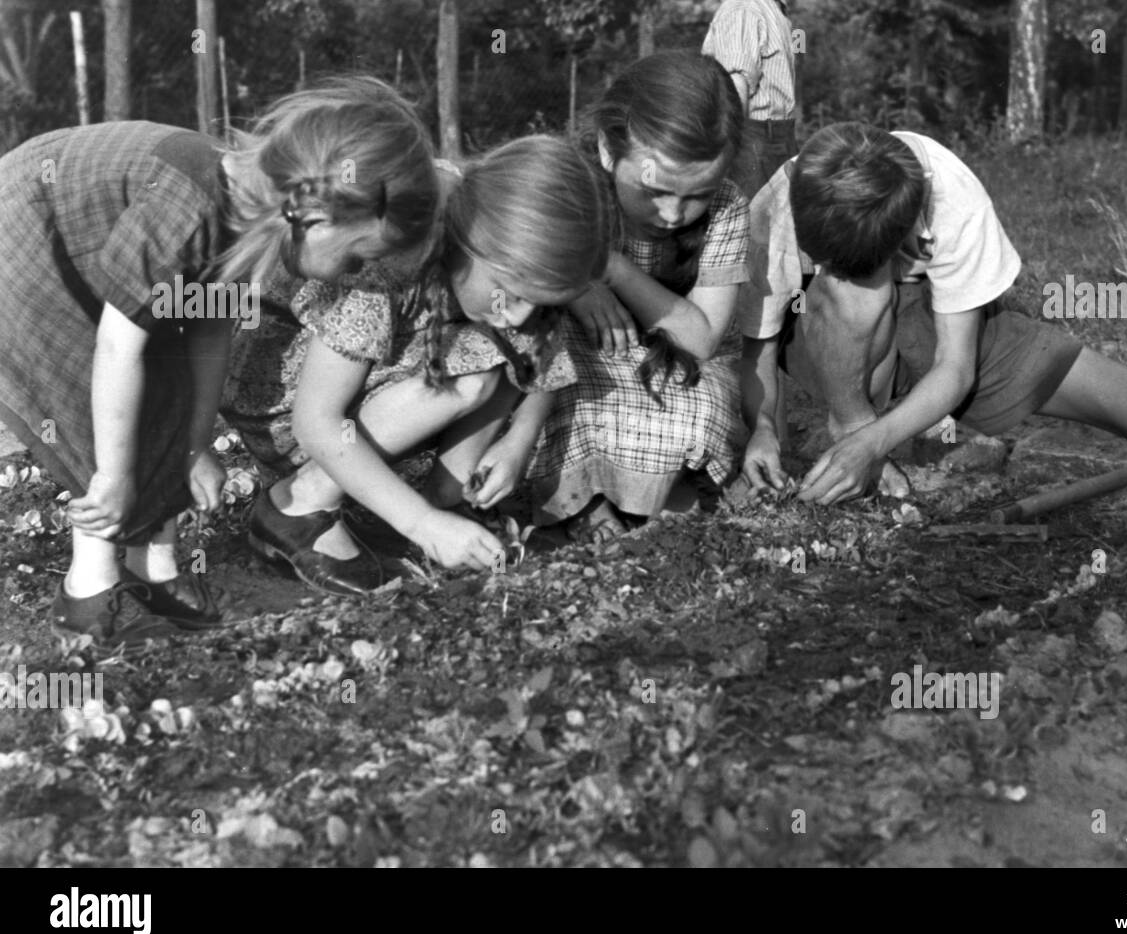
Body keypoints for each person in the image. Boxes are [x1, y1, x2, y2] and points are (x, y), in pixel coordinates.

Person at [0, 76, 439, 648]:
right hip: (25, 245)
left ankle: (152, 568)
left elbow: (207, 335)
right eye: (357, 257)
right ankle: (89, 589)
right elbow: (117, 349)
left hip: (75, 253)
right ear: (314, 216)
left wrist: (193, 446)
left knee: (164, 384)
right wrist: (114, 476)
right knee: (96, 412)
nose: (354, 274)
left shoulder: (246, 219)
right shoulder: (188, 211)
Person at [221, 135, 609, 593]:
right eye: (514, 294)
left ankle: (448, 497)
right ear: (471, 243)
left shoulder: (492, 257)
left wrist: (517, 443)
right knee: (473, 375)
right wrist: (420, 524)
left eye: (538, 301)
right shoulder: (387, 262)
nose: (520, 314)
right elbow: (316, 421)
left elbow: (540, 351)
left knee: (496, 353)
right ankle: (301, 504)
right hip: (280, 400)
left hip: (360, 391)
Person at [738, 122, 1127, 504]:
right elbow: (759, 345)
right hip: (822, 331)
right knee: (856, 293)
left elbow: (955, 367)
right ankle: (850, 428)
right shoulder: (785, 200)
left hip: (937, 318)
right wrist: (763, 430)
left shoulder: (953, 197)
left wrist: (875, 444)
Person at [525, 51, 749, 542]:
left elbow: (700, 340)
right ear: (608, 150)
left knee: (705, 406)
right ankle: (584, 501)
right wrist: (576, 287)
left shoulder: (728, 207)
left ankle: (649, 494)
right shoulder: (570, 186)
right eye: (655, 191)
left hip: (674, 359)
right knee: (559, 389)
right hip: (578, 352)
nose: (673, 214)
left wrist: (608, 267)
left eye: (696, 196)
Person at [702, 0, 799, 199]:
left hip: (778, 139)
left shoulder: (775, 10)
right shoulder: (744, 8)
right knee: (748, 214)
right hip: (751, 140)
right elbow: (735, 85)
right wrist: (733, 151)